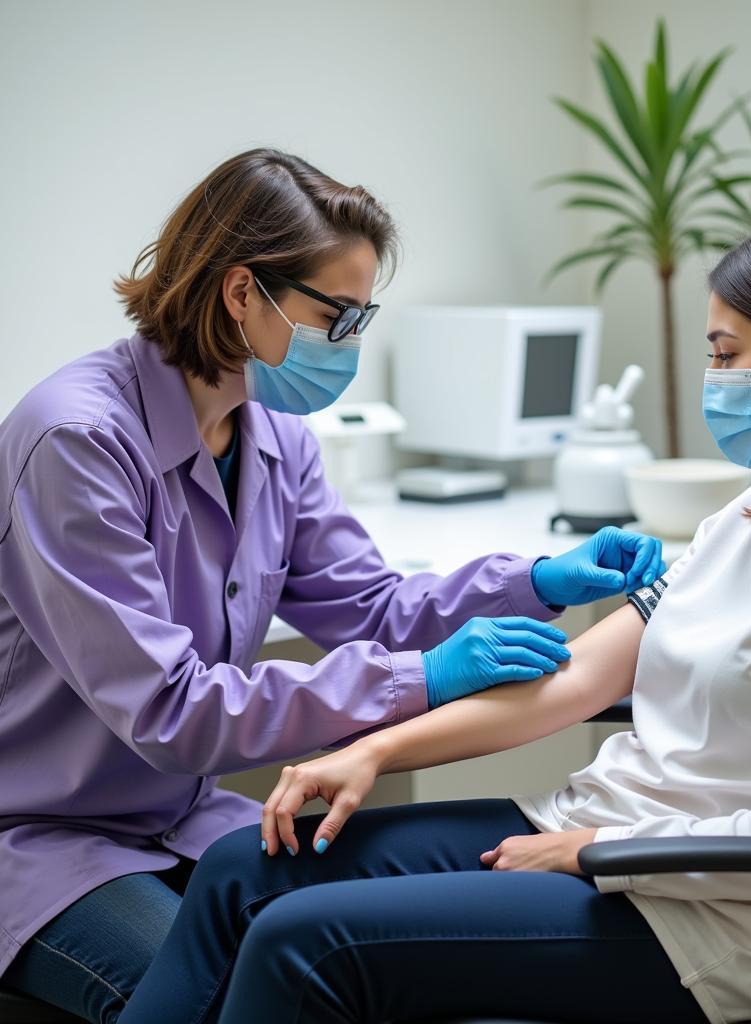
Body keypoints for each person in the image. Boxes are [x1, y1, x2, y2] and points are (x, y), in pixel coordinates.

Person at [117, 212, 751, 1024]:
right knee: (244, 870)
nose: (715, 383)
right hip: (591, 828)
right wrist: (369, 752)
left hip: (706, 920)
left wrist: (597, 852)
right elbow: (574, 680)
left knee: (306, 943)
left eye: (730, 356)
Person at [0, 147, 667, 1022]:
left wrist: (536, 580)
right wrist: (422, 679)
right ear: (243, 293)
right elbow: (173, 711)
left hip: (187, 818)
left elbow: (373, 609)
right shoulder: (79, 442)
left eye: (362, 316)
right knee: (231, 1000)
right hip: (45, 842)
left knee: (377, 970)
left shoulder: (272, 436)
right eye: (336, 316)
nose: (350, 342)